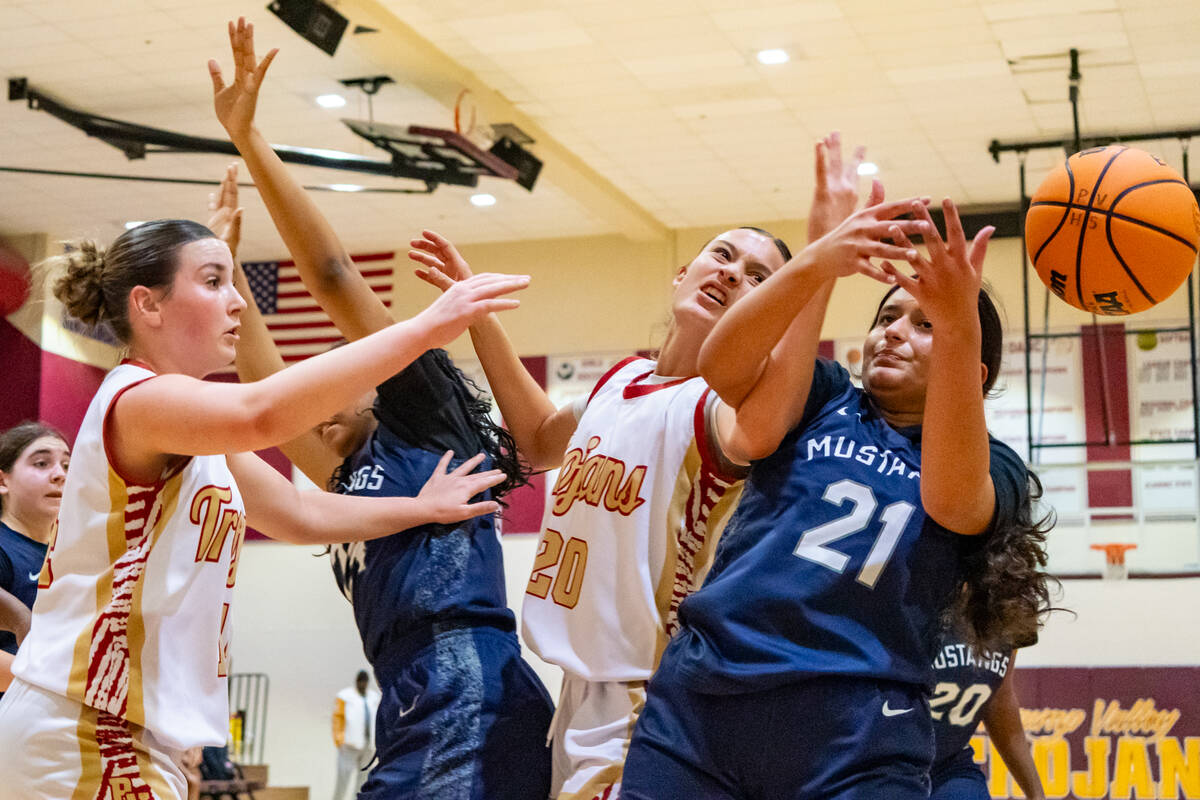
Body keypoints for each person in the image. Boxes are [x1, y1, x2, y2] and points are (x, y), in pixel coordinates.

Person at [0, 121, 526, 800]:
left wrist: (422, 507)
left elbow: (298, 511)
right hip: (83, 724)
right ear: (148, 305)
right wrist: (425, 326)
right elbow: (264, 413)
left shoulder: (190, 435)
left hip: (129, 732)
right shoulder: (140, 400)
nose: (237, 300)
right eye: (214, 281)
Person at [410, 133, 927, 799]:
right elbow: (539, 437)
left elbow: (763, 425)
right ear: (681, 274)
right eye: (722, 255)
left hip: (651, 694)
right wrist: (474, 312)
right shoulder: (620, 379)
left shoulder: (715, 406)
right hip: (576, 689)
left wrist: (820, 261)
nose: (733, 273)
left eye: (757, 277)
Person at [209, 19, 553, 799]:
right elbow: (257, 393)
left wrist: (250, 139)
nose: (317, 393)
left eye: (333, 378)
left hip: (470, 682)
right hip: (410, 694)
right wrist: (224, 263)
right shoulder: (347, 469)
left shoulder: (428, 425)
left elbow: (330, 274)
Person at [620, 197, 1054, 799]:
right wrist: (819, 259)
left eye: (924, 324)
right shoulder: (824, 395)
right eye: (887, 317)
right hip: (704, 707)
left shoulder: (992, 463)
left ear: (971, 370)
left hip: (856, 736)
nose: (894, 333)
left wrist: (959, 325)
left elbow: (954, 504)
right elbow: (722, 364)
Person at [929, 623, 1044, 800]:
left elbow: (999, 698)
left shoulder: (1014, 604)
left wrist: (1036, 794)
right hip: (889, 758)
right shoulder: (910, 601)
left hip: (949, 763)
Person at [0, 422, 70, 698]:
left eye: (67, 465)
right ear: (3, 481)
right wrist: (60, 682)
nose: (59, 475)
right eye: (41, 463)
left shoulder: (75, 552)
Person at [332, 670, 381, 800]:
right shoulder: (345, 696)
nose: (362, 684)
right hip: (349, 744)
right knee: (343, 778)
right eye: (360, 682)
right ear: (356, 681)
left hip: (368, 744)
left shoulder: (373, 697)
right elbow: (337, 719)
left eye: (365, 682)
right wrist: (339, 740)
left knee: (363, 779)